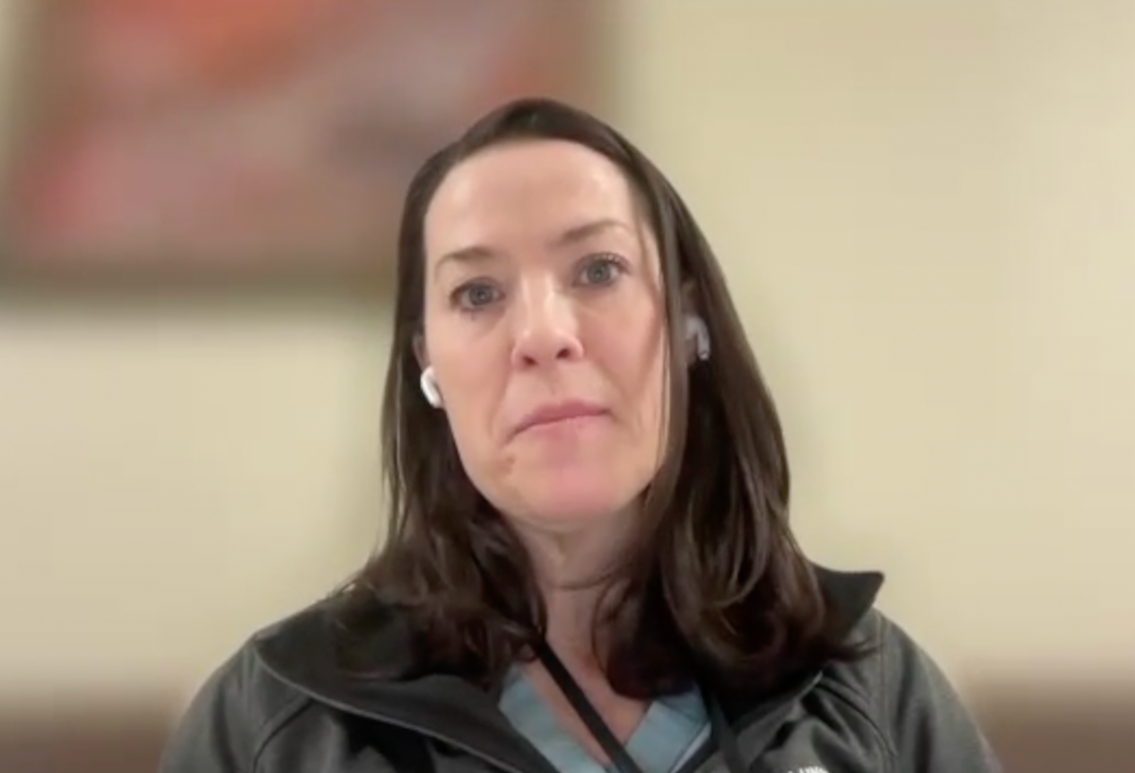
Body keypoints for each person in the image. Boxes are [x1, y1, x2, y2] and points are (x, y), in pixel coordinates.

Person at [160, 98, 1002, 773]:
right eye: (478, 293)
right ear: (429, 367)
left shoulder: (870, 695)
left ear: (689, 324)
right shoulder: (275, 723)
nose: (542, 334)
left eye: (599, 270)